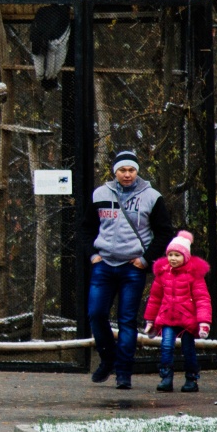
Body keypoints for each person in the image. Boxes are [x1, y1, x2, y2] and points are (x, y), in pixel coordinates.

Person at [79, 150, 175, 389]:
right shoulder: (100, 194)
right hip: (104, 265)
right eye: (122, 170)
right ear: (115, 172)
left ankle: (124, 373)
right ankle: (107, 358)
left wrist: (146, 260)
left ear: (137, 172)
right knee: (96, 314)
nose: (127, 174)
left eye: (131, 170)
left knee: (127, 321)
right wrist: (93, 255)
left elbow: (165, 232)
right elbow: (85, 229)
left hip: (133, 267)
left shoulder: (152, 197)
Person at [143, 230, 212, 393]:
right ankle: (166, 377)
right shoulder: (162, 274)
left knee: (188, 349)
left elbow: (202, 299)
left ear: (186, 256)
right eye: (170, 254)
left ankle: (191, 379)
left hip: (188, 319)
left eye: (177, 255)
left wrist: (204, 322)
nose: (173, 258)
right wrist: (150, 320)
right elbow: (155, 298)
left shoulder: (194, 275)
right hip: (168, 317)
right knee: (166, 346)